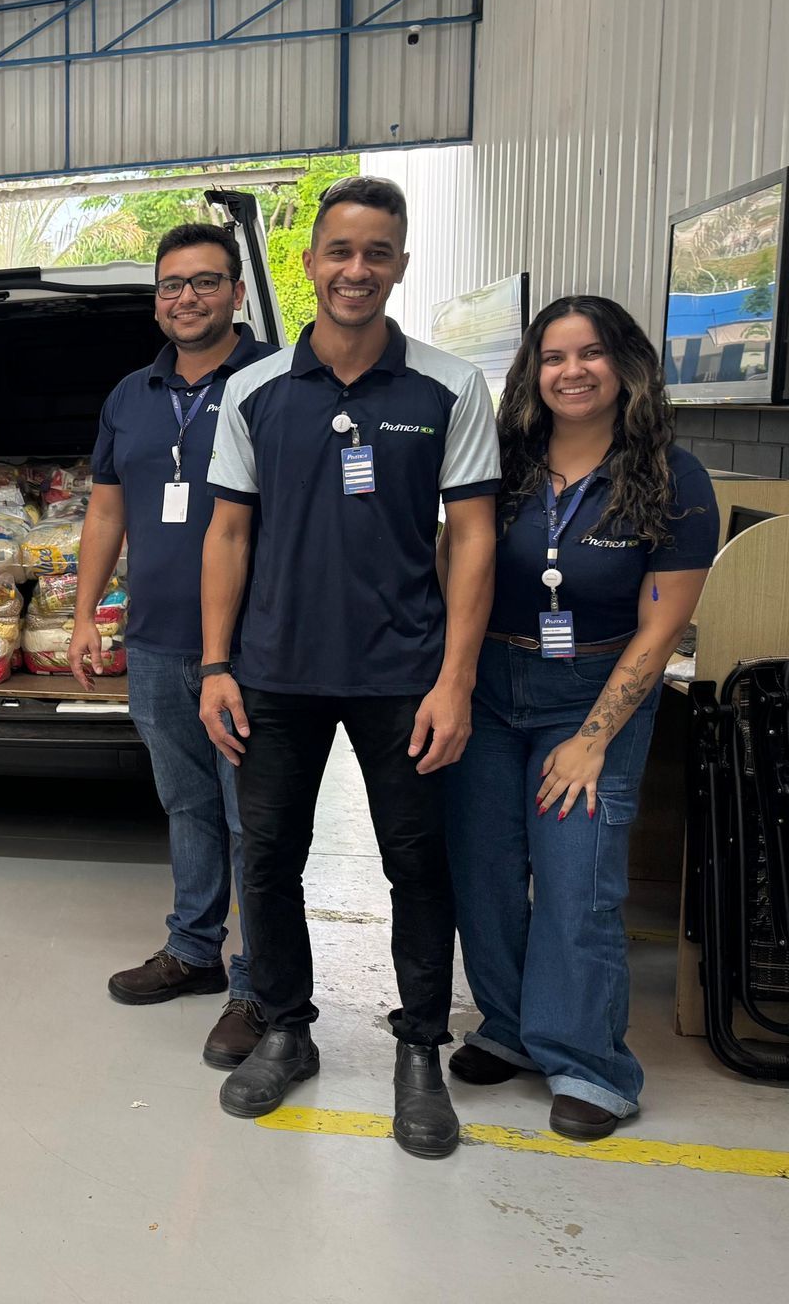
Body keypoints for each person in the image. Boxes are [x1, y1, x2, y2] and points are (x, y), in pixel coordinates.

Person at [199, 176, 500, 1159]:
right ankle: (286, 1029)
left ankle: (420, 1047)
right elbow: (229, 534)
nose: (356, 269)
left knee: (416, 865)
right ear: (311, 262)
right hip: (274, 674)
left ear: (399, 266)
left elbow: (472, 538)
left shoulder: (450, 387)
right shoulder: (252, 391)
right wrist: (215, 663)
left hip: (403, 678)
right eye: (340, 251)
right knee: (269, 859)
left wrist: (454, 680)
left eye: (377, 253)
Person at [443, 297, 716, 1141]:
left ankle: (592, 1065)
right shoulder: (504, 460)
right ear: (533, 371)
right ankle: (513, 1029)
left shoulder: (673, 475)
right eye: (554, 357)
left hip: (594, 689)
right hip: (489, 683)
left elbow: (663, 624)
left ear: (625, 363)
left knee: (576, 881)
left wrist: (595, 737)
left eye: (591, 353)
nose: (572, 372)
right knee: (484, 871)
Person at [71, 222, 279, 1069]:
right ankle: (194, 950)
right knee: (188, 804)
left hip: (253, 648)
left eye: (204, 282)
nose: (185, 297)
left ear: (236, 291)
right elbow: (107, 512)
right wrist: (87, 614)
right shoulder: (129, 394)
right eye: (171, 285)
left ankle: (259, 984)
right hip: (156, 642)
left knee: (253, 817)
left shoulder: (274, 381)